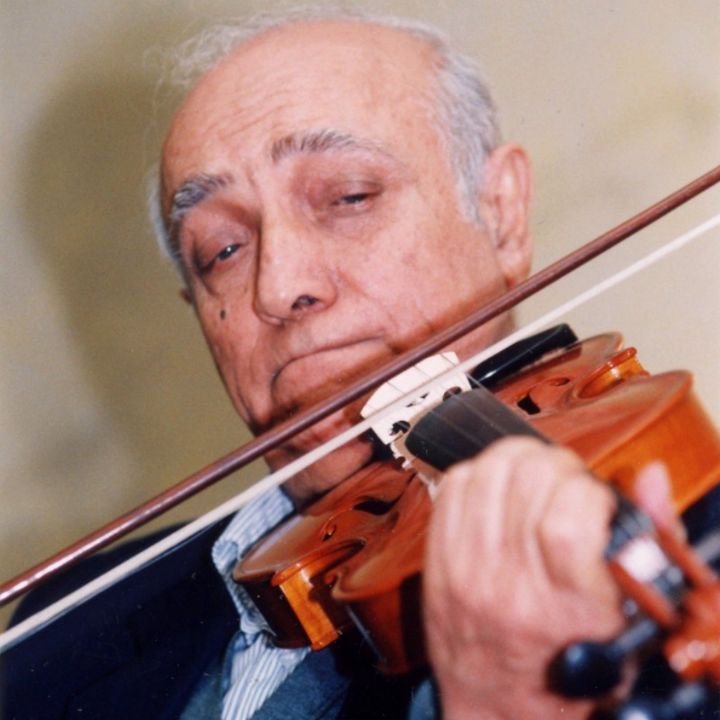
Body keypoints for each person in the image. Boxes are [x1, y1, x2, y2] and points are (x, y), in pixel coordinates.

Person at [3, 9, 710, 720]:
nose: (279, 286)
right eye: (222, 250)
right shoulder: (62, 630)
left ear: (501, 213)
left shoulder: (690, 544)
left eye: (349, 197)